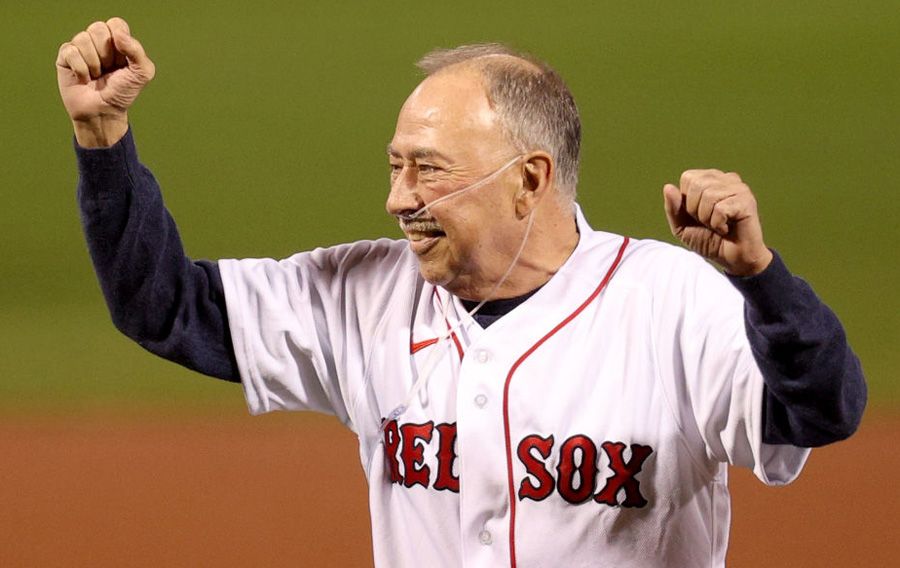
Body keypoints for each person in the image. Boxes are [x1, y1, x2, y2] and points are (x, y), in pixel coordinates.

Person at [57, 18, 866, 568]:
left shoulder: (670, 302)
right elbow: (164, 307)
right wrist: (103, 141)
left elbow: (823, 411)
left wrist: (761, 280)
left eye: (429, 169)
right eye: (395, 165)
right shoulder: (365, 294)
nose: (399, 197)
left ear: (529, 181)